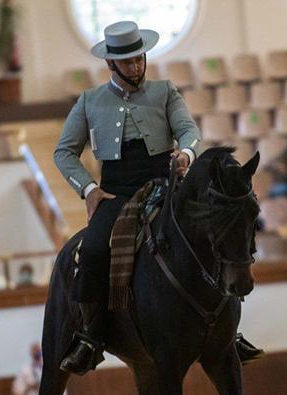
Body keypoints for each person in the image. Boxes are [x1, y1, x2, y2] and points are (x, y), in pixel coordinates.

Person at [54, 20, 262, 375]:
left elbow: (188, 131)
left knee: (209, 238)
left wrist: (186, 155)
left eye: (139, 59)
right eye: (128, 62)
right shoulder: (90, 101)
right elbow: (64, 152)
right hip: (115, 192)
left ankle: (229, 332)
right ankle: (91, 336)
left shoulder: (165, 91)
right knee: (91, 251)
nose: (136, 67)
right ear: (110, 65)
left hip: (165, 185)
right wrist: (89, 189)